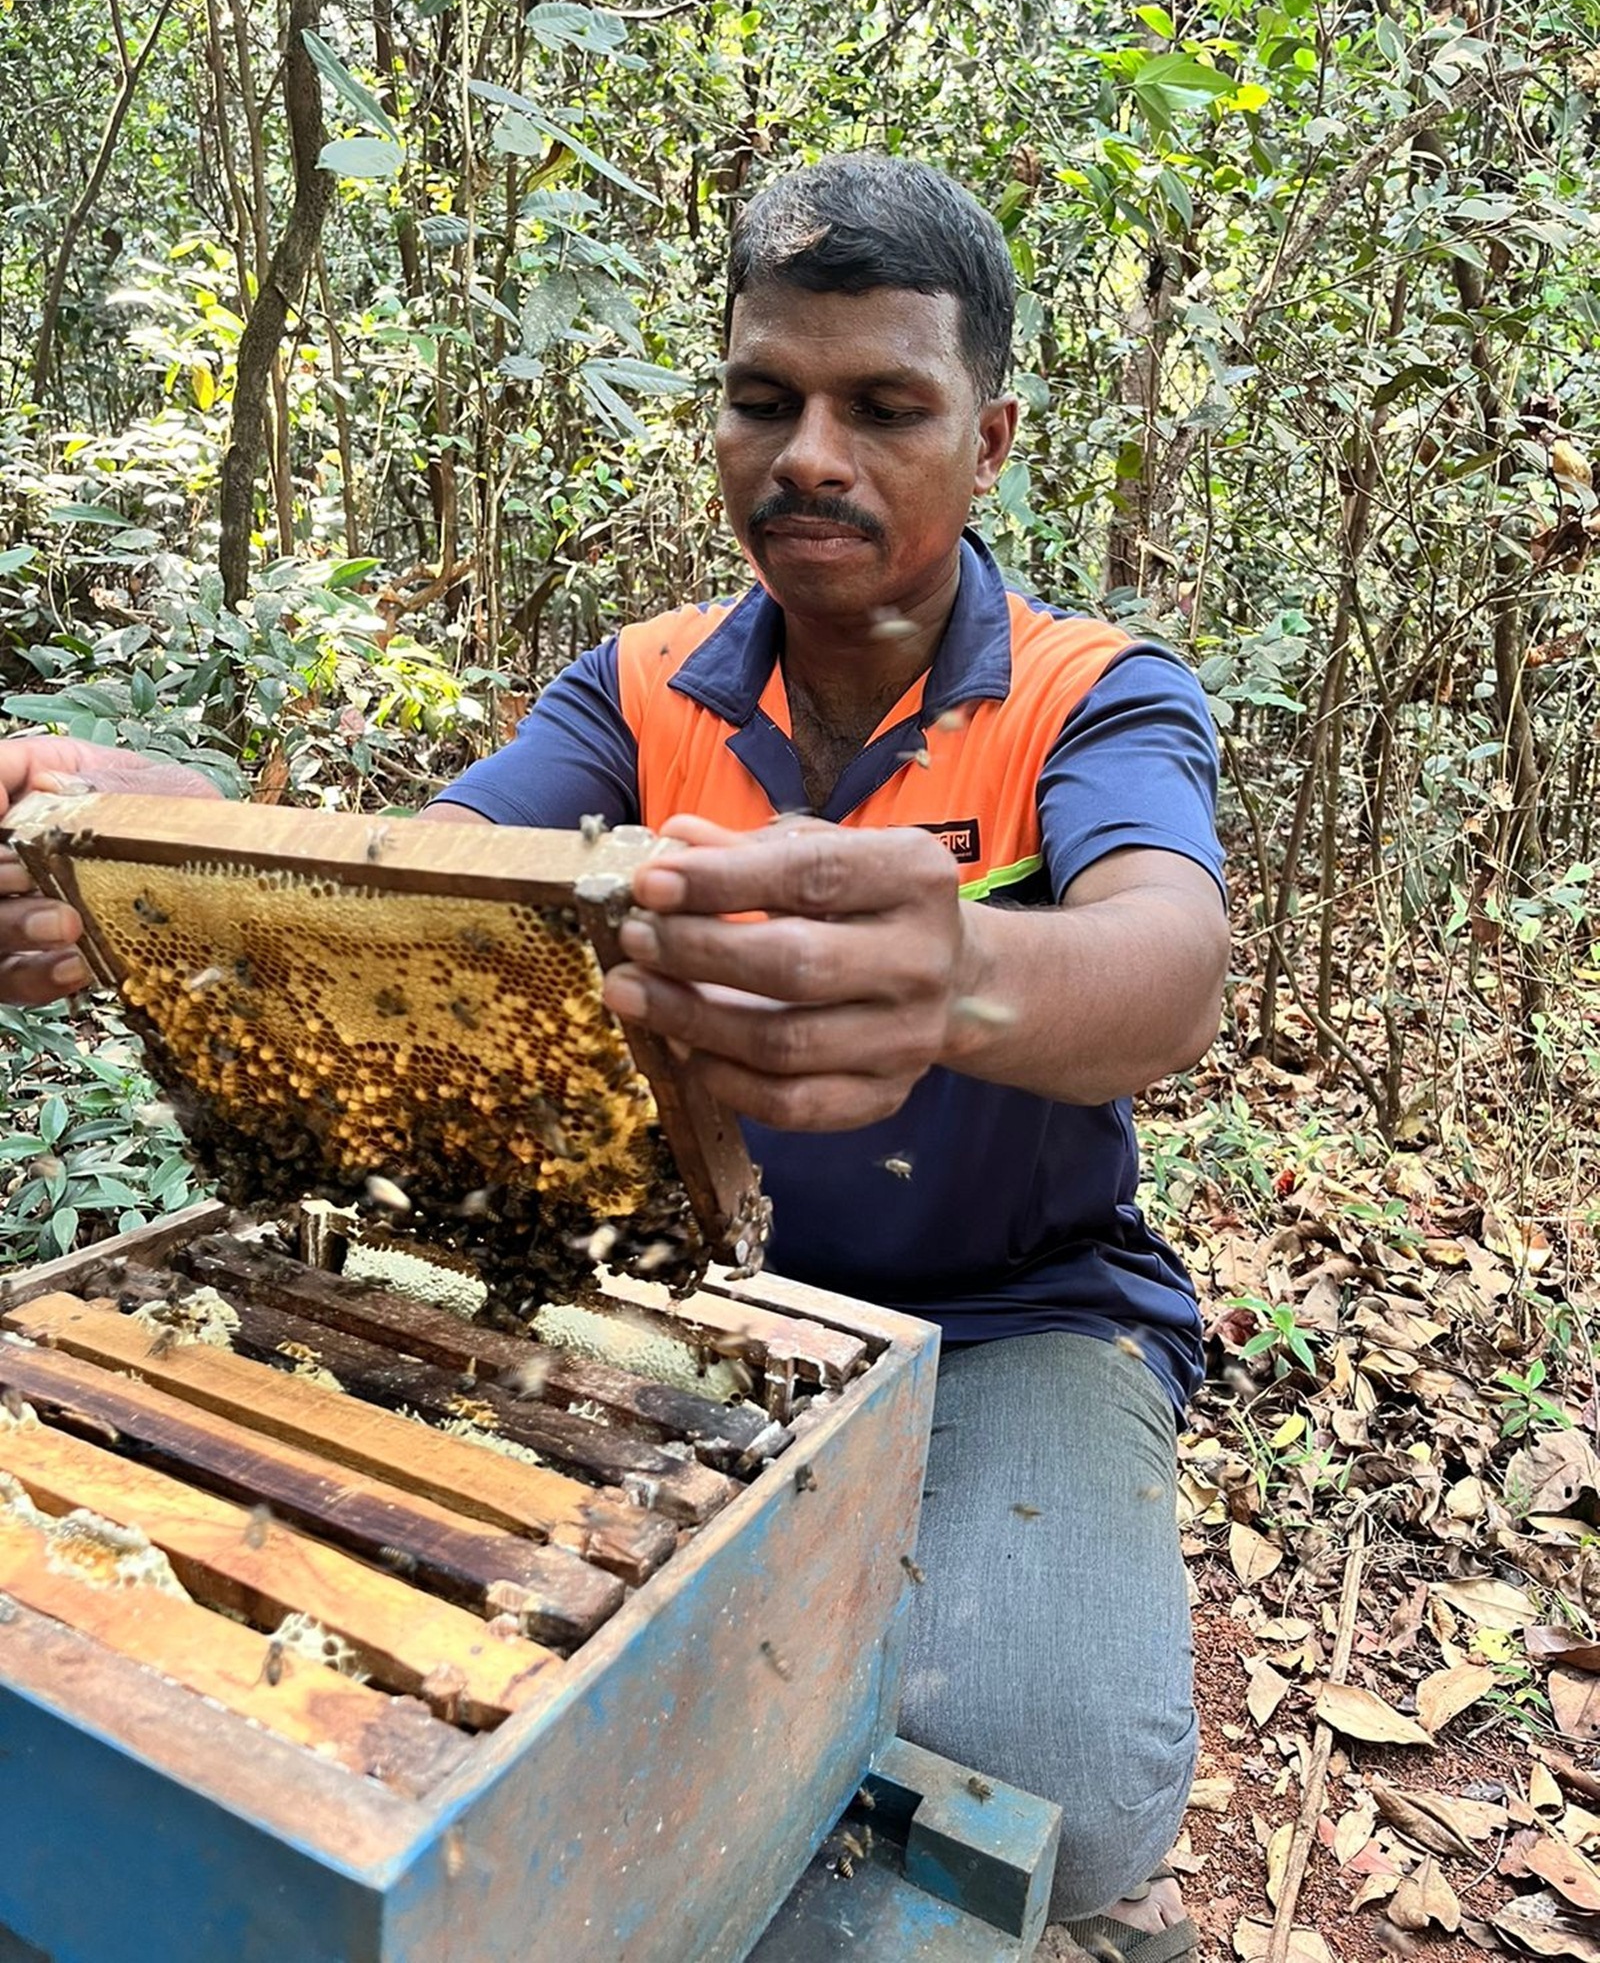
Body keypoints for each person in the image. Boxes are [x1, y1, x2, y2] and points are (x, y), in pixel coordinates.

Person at [0, 155, 1227, 1961]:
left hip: (1010, 1311)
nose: (813, 453)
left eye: (886, 405)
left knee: (1061, 1779)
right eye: (765, 398)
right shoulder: (637, 687)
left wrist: (963, 974)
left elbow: (1169, 964)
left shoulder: (1093, 689)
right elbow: (426, 888)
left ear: (993, 437)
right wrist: (186, 852)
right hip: (661, 1289)